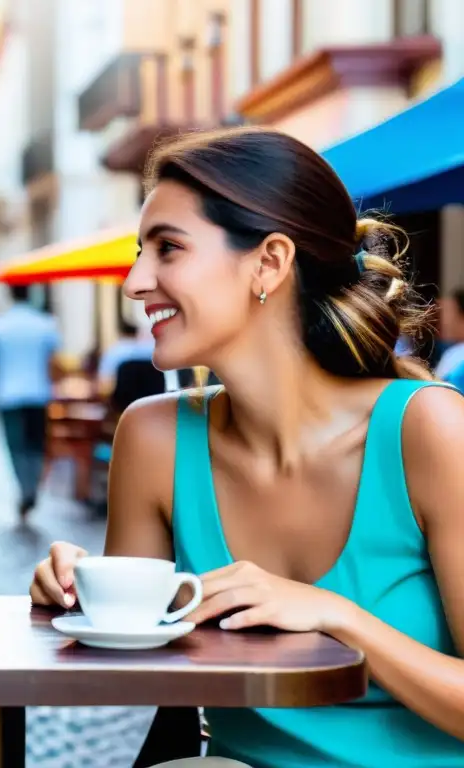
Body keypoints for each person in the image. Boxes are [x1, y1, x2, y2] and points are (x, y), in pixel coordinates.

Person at [29, 127, 464, 767]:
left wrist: (336, 616)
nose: (134, 282)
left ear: (269, 262)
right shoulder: (153, 437)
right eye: (139, 252)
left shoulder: (428, 430)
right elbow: (132, 668)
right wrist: (78, 591)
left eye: (167, 249)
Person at [0, 285, 62, 518]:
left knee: (16, 446)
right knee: (36, 445)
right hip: (38, 394)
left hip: (7, 395)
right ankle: (31, 487)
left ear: (10, 295)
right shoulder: (45, 323)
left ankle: (25, 488)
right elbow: (54, 362)